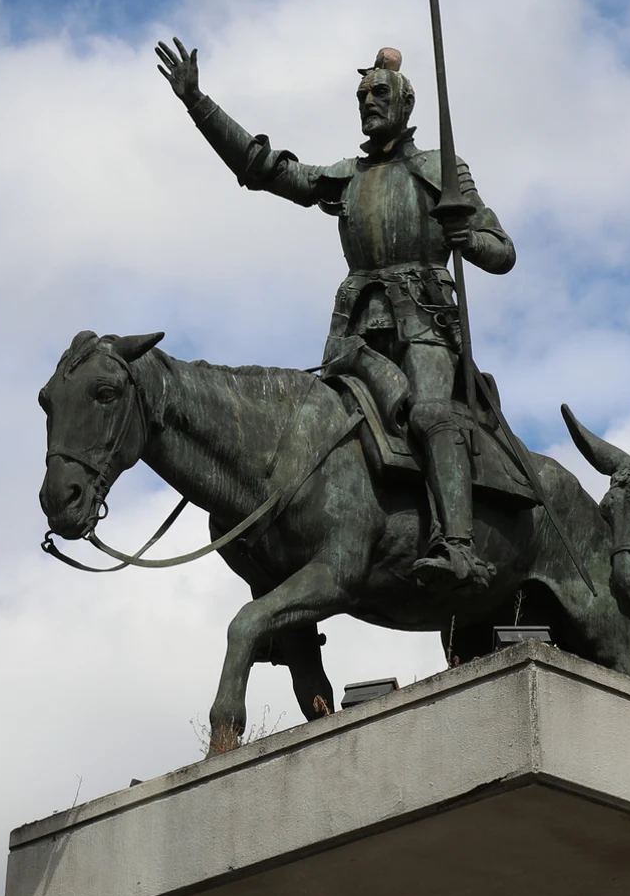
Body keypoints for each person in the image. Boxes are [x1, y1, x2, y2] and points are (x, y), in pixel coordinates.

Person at [155, 39, 515, 589]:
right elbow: (264, 168)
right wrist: (198, 103)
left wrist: (467, 236)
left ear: (403, 104)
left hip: (424, 322)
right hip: (355, 332)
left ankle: (459, 548)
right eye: (361, 95)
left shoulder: (441, 168)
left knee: (430, 415)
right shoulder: (347, 176)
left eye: (378, 93)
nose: (367, 102)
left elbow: (501, 251)